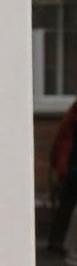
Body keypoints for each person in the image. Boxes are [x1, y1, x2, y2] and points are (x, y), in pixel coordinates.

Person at [48, 98, 77, 253]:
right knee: (66, 205)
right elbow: (62, 144)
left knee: (66, 206)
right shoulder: (71, 119)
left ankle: (57, 241)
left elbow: (60, 144)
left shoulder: (71, 117)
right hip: (71, 168)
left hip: (70, 168)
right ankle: (57, 241)